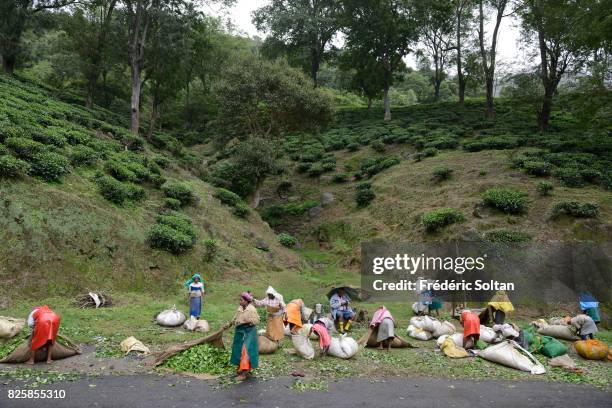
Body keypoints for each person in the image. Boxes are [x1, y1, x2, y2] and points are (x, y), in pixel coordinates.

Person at [230, 292, 260, 381]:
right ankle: (242, 368)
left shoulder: (252, 309)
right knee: (238, 349)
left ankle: (243, 374)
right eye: (240, 300)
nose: (240, 302)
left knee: (245, 351)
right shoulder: (240, 308)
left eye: (241, 300)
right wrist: (230, 323)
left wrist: (248, 321)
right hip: (240, 331)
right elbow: (235, 318)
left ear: (246, 301)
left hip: (249, 331)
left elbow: (257, 320)